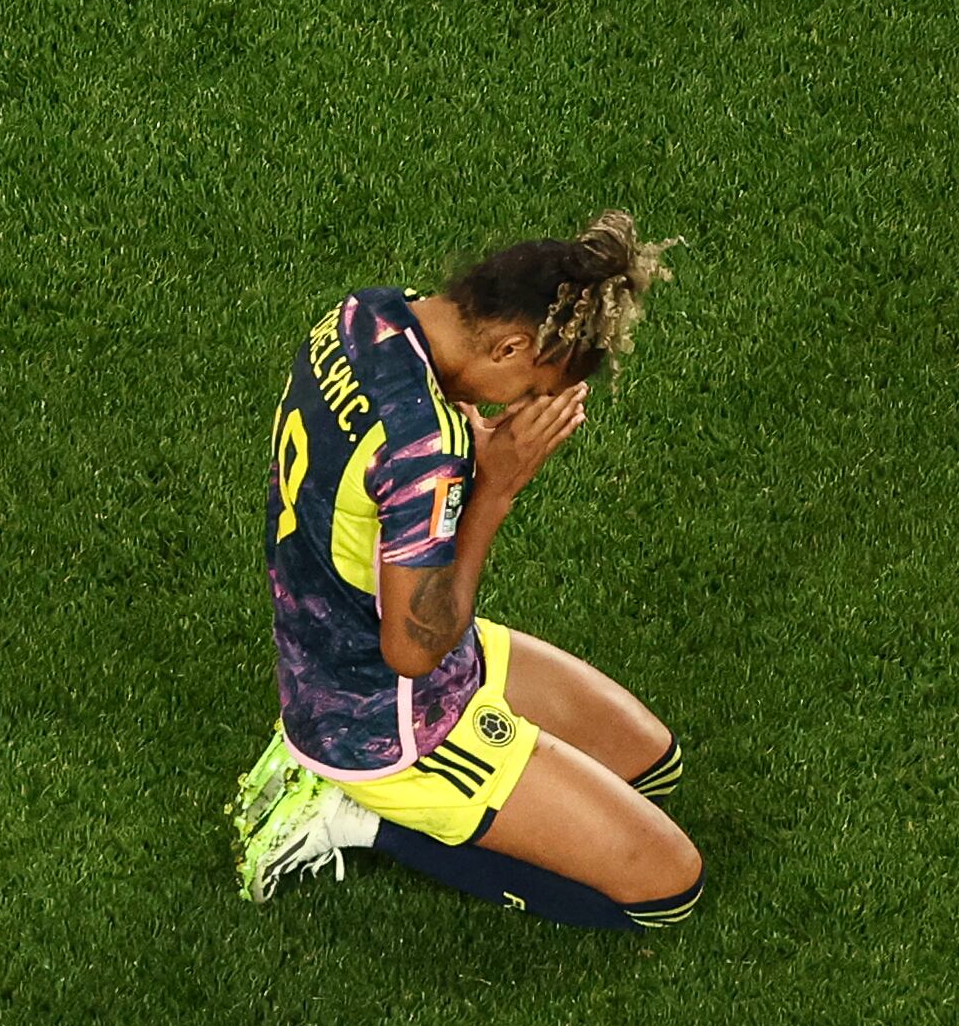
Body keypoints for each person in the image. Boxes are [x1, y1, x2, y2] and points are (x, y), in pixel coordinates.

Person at [227, 212, 700, 931]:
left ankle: (355, 779)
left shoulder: (369, 314)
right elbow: (414, 649)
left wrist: (467, 438)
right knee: (669, 888)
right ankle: (351, 813)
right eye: (537, 384)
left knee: (649, 761)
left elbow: (384, 448)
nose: (528, 405)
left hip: (331, 642)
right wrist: (497, 487)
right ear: (510, 343)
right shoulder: (428, 452)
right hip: (388, 718)